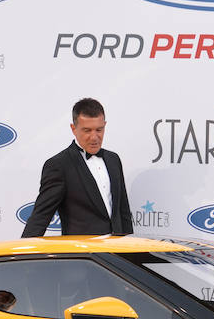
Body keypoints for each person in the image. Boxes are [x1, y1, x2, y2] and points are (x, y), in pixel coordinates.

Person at [21, 97, 133, 237]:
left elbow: (123, 211)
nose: (94, 137)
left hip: (115, 252)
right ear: (73, 129)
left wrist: (130, 249)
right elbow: (41, 216)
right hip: (81, 255)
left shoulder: (113, 159)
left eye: (99, 129)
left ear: (105, 125)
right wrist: (22, 252)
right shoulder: (58, 165)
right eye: (87, 130)